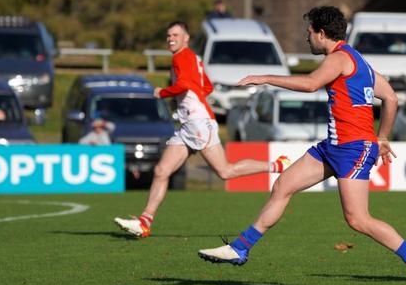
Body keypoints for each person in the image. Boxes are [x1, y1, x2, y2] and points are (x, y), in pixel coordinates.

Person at [197, 6, 406, 285]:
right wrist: (383, 137)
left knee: (358, 219)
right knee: (284, 185)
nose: (306, 37)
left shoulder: (339, 58)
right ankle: (240, 248)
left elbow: (311, 84)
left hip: (352, 149)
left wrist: (266, 77)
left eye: (309, 32)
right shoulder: (356, 59)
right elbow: (391, 98)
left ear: (322, 34)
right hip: (333, 147)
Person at [113, 21, 289, 238]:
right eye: (168, 35)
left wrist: (164, 92)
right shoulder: (194, 58)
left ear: (186, 38)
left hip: (197, 124)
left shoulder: (180, 57)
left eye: (176, 35)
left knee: (225, 171)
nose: (171, 38)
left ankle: (278, 165)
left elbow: (185, 84)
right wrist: (192, 101)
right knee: (161, 171)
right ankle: (145, 222)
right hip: (191, 123)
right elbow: (207, 86)